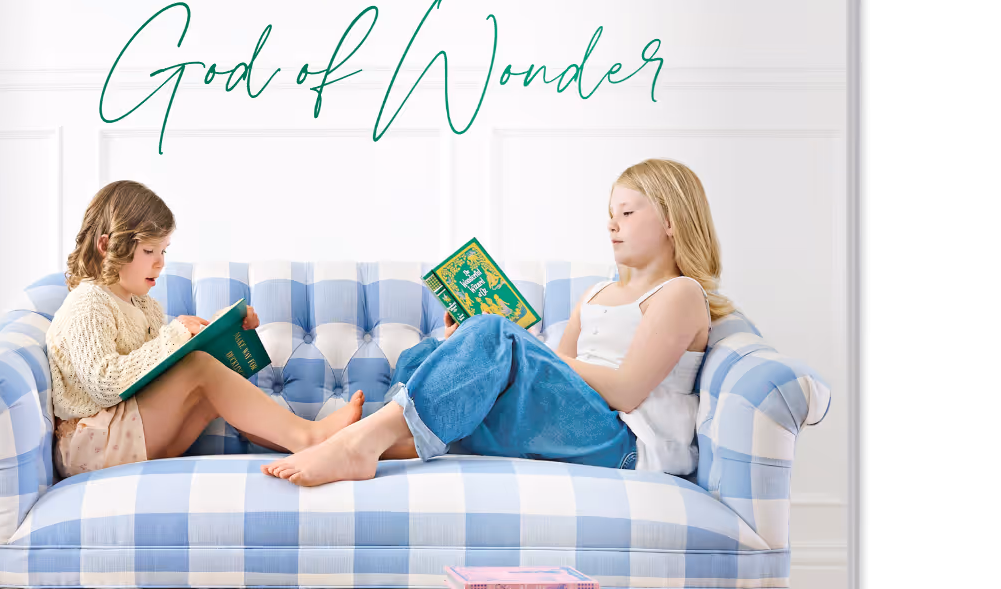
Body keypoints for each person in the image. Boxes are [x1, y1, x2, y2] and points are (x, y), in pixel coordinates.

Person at [261, 158, 733, 487]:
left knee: (492, 331)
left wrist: (517, 344)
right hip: (576, 422)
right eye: (610, 215)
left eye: (627, 213)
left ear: (672, 220)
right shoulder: (595, 294)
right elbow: (558, 373)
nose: (612, 225)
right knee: (427, 353)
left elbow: (629, 390)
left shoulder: (679, 294)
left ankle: (358, 443)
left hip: (624, 443)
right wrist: (466, 346)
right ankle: (385, 443)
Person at [46, 180, 364, 478]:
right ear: (106, 246)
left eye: (163, 251)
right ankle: (310, 438)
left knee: (208, 382)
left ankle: (314, 446)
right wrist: (175, 336)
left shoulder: (143, 305)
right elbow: (106, 384)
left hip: (129, 434)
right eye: (148, 251)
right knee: (198, 368)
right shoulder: (88, 302)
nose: (160, 263)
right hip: (92, 444)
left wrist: (221, 330)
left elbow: (159, 374)